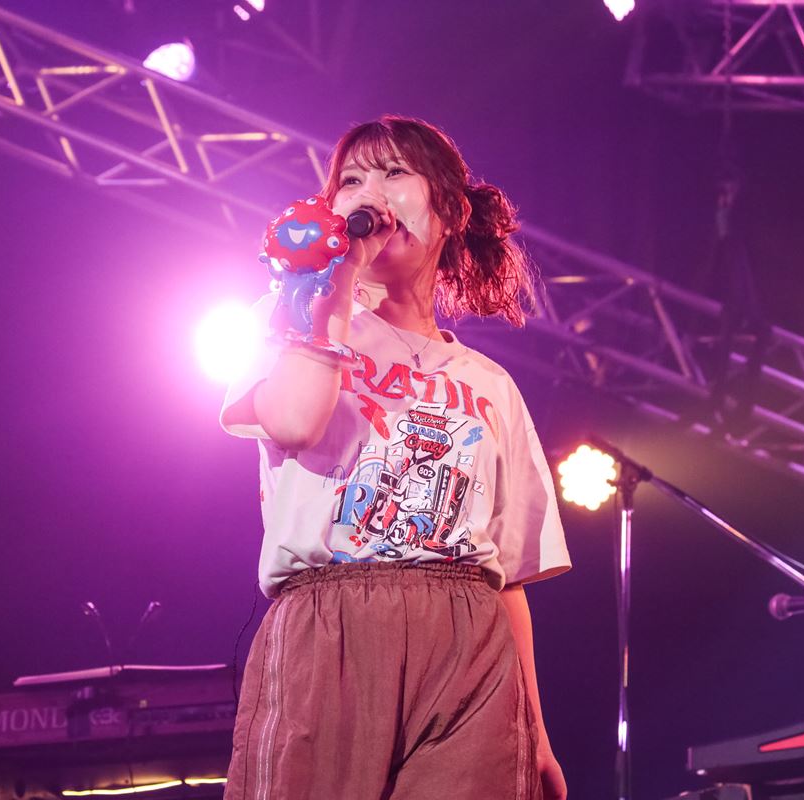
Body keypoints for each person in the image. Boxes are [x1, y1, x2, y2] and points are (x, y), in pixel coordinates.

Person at [219, 115, 571, 800]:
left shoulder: (490, 383)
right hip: (333, 626)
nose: (368, 193)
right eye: (350, 180)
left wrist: (536, 730)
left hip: (468, 638)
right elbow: (294, 421)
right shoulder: (287, 315)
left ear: (450, 211)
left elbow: (506, 576)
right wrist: (338, 283)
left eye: (393, 172)